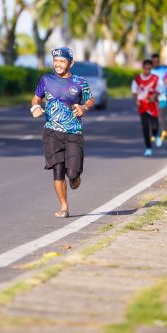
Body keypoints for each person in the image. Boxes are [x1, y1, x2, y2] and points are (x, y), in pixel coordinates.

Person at [31, 47, 95, 219]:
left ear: (70, 63)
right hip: (52, 132)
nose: (58, 64)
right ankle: (64, 207)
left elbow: (90, 99)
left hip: (74, 132)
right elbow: (37, 97)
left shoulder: (80, 82)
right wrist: (35, 107)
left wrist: (84, 107)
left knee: (72, 174)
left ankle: (75, 177)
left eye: (62, 61)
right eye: (56, 61)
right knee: (57, 170)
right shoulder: (46, 80)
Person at [132, 59, 163, 157]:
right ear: (143, 68)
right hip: (142, 106)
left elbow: (159, 90)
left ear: (151, 68)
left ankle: (156, 135)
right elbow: (134, 91)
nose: (147, 70)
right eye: (145, 68)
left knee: (154, 126)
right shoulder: (137, 79)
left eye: (149, 69)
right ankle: (148, 148)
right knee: (145, 127)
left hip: (153, 105)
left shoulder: (156, 79)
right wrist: (136, 100)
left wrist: (155, 95)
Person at [151, 53, 167, 140]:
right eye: (154, 61)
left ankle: (164, 132)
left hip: (162, 96)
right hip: (152, 97)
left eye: (157, 61)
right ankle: (154, 134)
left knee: (162, 115)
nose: (155, 63)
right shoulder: (150, 71)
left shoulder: (163, 70)